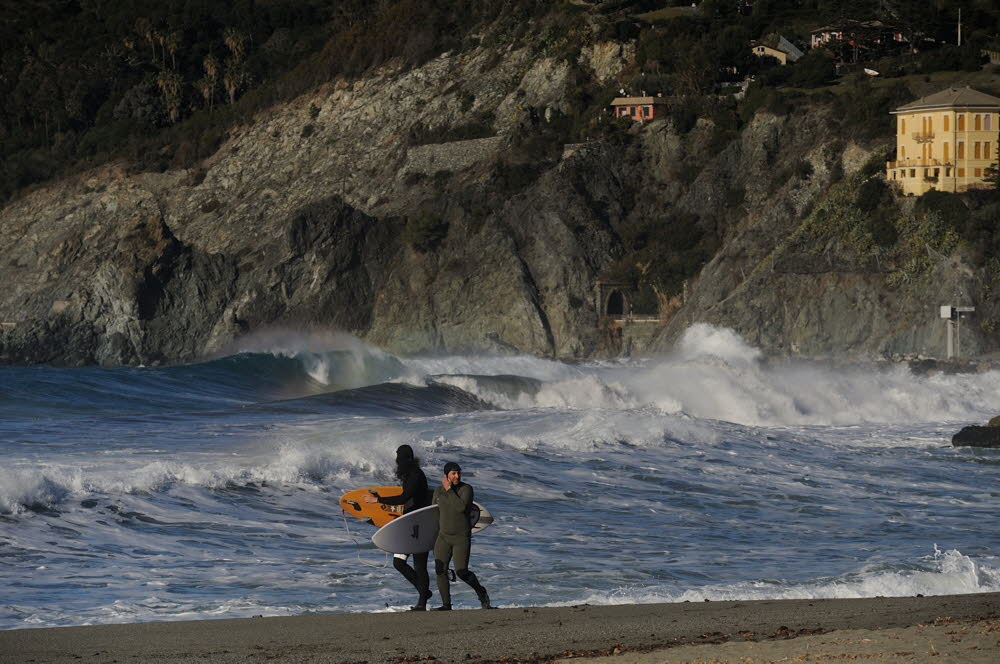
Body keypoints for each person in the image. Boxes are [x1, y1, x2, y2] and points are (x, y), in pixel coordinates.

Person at [364, 444, 432, 610]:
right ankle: (424, 592)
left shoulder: (416, 475)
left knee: (419, 564)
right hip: (408, 524)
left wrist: (378, 500)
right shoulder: (410, 475)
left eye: (399, 458)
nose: (397, 461)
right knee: (398, 562)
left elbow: (404, 497)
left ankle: (422, 602)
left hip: (420, 526)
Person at [431, 461, 493, 610]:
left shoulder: (466, 489)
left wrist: (449, 490)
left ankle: (481, 592)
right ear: (446, 475)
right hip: (443, 536)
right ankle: (446, 605)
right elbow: (432, 513)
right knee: (440, 569)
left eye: (458, 473)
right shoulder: (438, 491)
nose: (457, 476)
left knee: (461, 572)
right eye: (453, 473)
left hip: (461, 537)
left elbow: (460, 508)